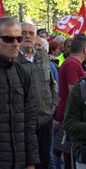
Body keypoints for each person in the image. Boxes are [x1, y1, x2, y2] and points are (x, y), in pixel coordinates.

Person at [16, 22, 60, 169]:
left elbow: (52, 84)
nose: (27, 36)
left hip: (44, 119)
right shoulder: (13, 59)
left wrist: (53, 105)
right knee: (27, 162)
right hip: (22, 123)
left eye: (31, 33)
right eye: (23, 33)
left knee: (45, 161)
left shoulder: (43, 57)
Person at [0, 17, 39, 168]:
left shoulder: (22, 72)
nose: (16, 43)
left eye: (18, 38)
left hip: (20, 161)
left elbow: (30, 123)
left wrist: (31, 162)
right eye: (8, 39)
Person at [55, 34, 86, 169]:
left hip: (68, 113)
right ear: (85, 49)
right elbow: (74, 93)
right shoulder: (72, 64)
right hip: (70, 115)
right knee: (70, 156)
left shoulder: (71, 62)